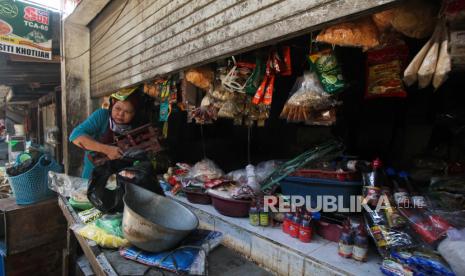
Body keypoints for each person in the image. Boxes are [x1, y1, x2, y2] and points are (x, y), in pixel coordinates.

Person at [70, 87, 146, 179]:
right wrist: (107, 149)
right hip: (93, 175)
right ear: (112, 104)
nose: (120, 114)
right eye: (117, 108)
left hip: (122, 178)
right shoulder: (102, 116)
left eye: (127, 112)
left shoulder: (138, 126)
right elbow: (75, 136)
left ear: (134, 113)